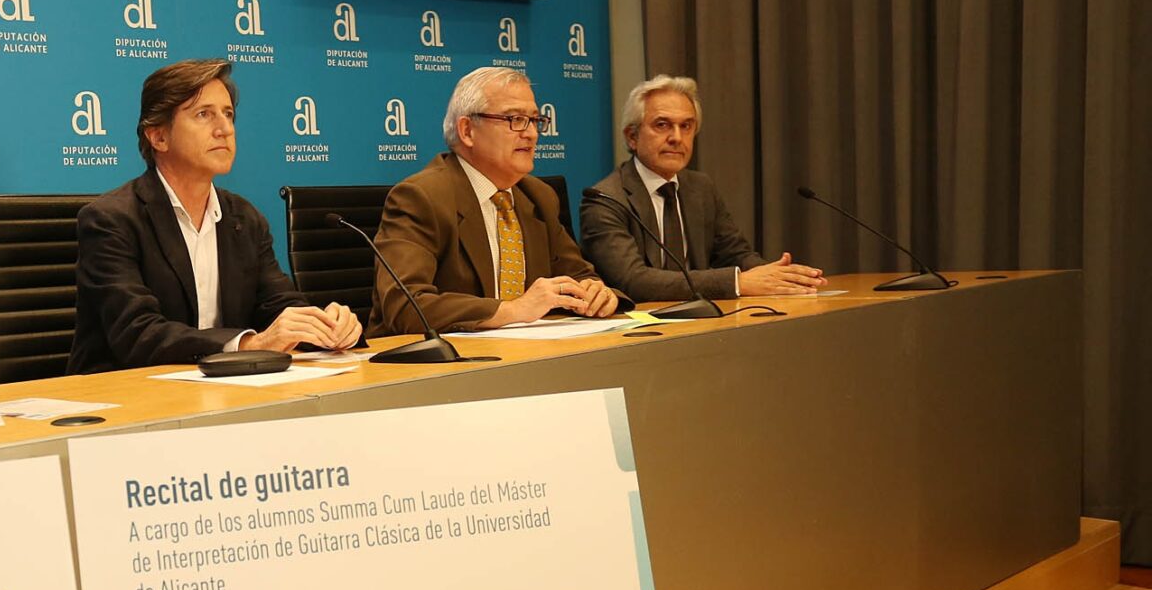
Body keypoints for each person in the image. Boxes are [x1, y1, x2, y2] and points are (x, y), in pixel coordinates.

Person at [67, 59, 361, 373]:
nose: (224, 129)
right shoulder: (111, 220)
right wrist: (246, 345)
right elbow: (138, 334)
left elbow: (277, 305)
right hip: (123, 391)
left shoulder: (244, 218)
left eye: (228, 114)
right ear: (159, 137)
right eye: (204, 114)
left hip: (222, 388)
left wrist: (324, 327)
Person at [370, 67, 618, 335]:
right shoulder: (421, 197)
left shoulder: (538, 196)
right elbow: (405, 305)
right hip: (436, 357)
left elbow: (579, 276)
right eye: (515, 119)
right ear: (467, 130)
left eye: (534, 120)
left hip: (525, 352)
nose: (531, 134)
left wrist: (597, 294)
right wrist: (512, 310)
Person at [578, 75, 825, 301]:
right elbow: (632, 281)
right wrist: (737, 282)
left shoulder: (700, 188)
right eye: (662, 125)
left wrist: (781, 277)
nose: (677, 138)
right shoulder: (606, 199)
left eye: (686, 126)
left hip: (702, 321)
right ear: (632, 137)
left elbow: (735, 254)